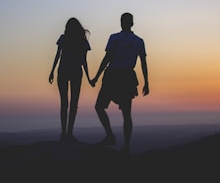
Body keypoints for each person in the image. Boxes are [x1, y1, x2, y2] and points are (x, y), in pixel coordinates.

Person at [90, 12, 149, 154]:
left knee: (99, 106)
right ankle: (126, 145)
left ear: (122, 23)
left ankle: (110, 136)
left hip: (113, 75)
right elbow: (143, 63)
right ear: (132, 23)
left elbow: (107, 59)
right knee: (126, 113)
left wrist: (96, 77)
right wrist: (147, 82)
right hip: (126, 77)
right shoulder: (138, 41)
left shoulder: (114, 38)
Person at [49, 17, 94, 143]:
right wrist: (89, 78)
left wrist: (52, 71)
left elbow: (58, 55)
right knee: (73, 104)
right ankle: (69, 133)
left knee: (64, 104)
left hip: (63, 71)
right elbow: (84, 61)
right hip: (75, 72)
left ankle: (64, 133)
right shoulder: (82, 41)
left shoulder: (63, 38)